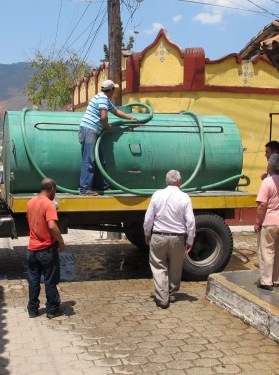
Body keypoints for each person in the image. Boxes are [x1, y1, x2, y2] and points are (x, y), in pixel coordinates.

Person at [143, 170, 196, 309]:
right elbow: (190, 221)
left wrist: (147, 232)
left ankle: (162, 298)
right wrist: (190, 239)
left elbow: (149, 218)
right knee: (176, 266)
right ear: (179, 181)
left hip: (159, 236)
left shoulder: (157, 195)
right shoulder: (185, 197)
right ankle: (172, 293)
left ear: (166, 181)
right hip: (178, 238)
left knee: (158, 266)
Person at [78, 79, 138, 196]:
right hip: (89, 130)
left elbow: (116, 112)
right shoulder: (102, 99)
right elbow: (104, 117)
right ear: (111, 90)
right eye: (114, 89)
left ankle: (101, 186)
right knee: (89, 160)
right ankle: (84, 189)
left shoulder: (102, 98)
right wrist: (107, 126)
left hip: (93, 131)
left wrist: (131, 118)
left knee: (100, 159)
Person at [26, 178, 65, 318]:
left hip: (32, 249)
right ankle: (52, 310)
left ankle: (32, 310)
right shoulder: (49, 204)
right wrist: (61, 241)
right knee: (50, 280)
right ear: (52, 189)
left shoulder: (30, 202)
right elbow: (52, 226)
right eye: (56, 190)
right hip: (47, 249)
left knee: (34, 280)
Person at [254, 154, 279, 291]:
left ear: (270, 167)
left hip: (270, 221)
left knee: (267, 251)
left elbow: (262, 205)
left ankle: (266, 281)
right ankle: (276, 279)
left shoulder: (268, 182)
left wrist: (257, 222)